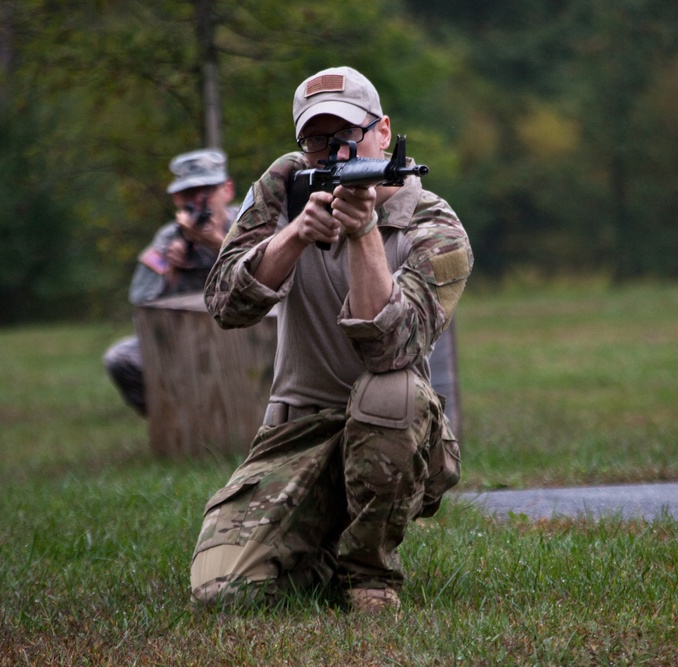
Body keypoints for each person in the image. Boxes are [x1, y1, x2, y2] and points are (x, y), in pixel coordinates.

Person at [190, 66, 473, 613]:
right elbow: (224, 303)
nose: (335, 153)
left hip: (401, 433)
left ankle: (370, 576)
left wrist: (363, 233)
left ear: (383, 132)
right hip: (296, 432)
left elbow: (390, 351)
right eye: (317, 140)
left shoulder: (435, 225)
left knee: (391, 392)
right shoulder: (284, 187)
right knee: (223, 596)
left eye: (348, 135)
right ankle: (318, 550)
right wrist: (293, 236)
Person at [103, 149, 238, 416]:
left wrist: (214, 243)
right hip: (186, 341)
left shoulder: (248, 222)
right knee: (120, 358)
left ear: (227, 190)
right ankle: (172, 423)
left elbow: (269, 272)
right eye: (189, 194)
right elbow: (140, 301)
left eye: (206, 191)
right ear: (177, 198)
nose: (199, 202)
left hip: (242, 333)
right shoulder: (168, 238)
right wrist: (171, 272)